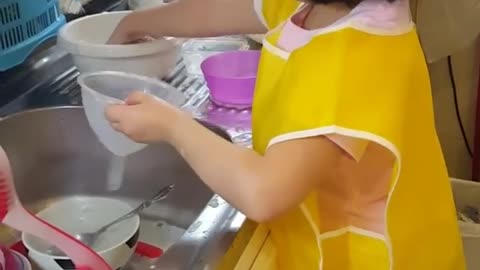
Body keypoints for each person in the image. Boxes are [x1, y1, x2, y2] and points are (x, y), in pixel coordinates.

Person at [105, 0, 466, 269]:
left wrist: (171, 124)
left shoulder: (352, 60)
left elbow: (264, 193)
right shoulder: (319, 8)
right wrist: (135, 22)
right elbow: (223, 9)